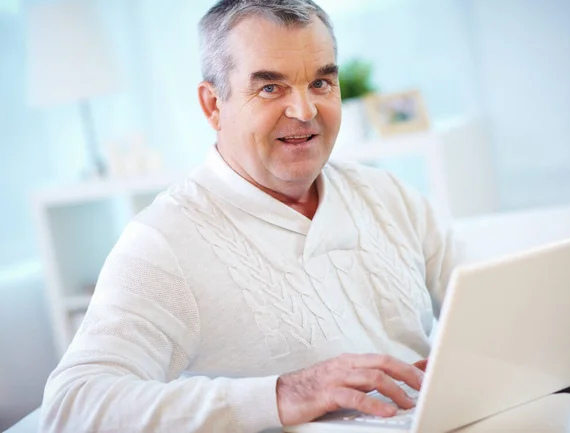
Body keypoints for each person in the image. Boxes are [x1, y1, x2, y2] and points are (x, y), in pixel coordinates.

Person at [39, 1, 461, 432]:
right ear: (212, 105)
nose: (304, 111)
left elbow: (486, 305)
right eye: (270, 88)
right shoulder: (164, 240)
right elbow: (72, 406)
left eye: (320, 82)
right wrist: (287, 393)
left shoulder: (388, 195)